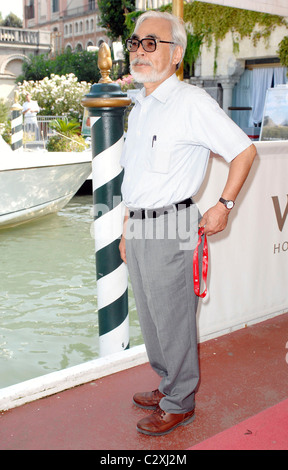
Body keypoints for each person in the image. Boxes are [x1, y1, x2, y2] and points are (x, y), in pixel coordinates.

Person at [119, 10, 256, 437]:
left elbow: (243, 151)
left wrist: (224, 204)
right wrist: (127, 228)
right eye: (136, 42)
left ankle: (180, 402)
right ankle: (167, 384)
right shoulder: (140, 105)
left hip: (175, 223)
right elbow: (136, 177)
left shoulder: (191, 103)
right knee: (152, 316)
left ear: (175, 53)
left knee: (174, 318)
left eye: (151, 43)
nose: (140, 51)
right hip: (141, 226)